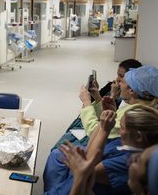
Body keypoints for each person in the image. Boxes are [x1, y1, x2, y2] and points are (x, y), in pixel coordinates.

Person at [44, 65, 158, 195]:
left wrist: (87, 103)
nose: (118, 82)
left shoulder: (132, 117)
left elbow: (96, 132)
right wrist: (99, 101)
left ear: (133, 90)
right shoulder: (136, 110)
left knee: (57, 155)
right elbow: (103, 123)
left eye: (123, 80)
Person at [60, 104, 158, 195]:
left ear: (138, 136)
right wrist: (102, 124)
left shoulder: (128, 161)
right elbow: (89, 150)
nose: (119, 131)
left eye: (122, 128)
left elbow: (86, 169)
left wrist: (104, 131)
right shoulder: (123, 142)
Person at [52, 59, 142, 150]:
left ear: (133, 87)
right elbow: (105, 118)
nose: (117, 79)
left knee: (57, 151)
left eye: (122, 77)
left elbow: (97, 131)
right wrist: (96, 96)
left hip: (99, 143)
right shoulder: (127, 102)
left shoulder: (132, 115)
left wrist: (87, 103)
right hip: (97, 135)